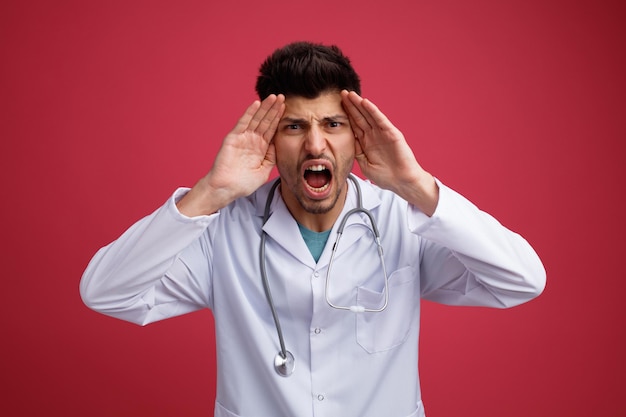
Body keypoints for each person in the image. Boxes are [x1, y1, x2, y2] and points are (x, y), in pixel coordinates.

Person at [80, 41, 546, 417]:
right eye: (294, 126)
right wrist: (209, 192)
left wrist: (418, 186)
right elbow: (105, 291)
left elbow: (522, 280)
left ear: (355, 137)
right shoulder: (224, 230)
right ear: (269, 140)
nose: (315, 143)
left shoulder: (402, 219)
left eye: (333, 123)